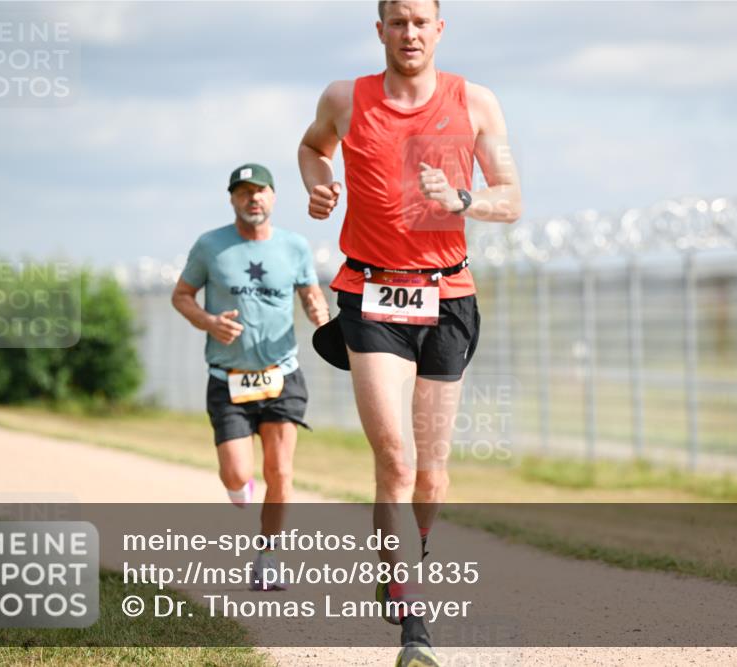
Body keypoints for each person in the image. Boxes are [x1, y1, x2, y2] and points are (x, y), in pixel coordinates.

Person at [299, 1, 521, 663]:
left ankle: (411, 562)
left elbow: (510, 195)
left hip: (447, 298)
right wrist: (319, 185)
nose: (410, 32)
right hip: (369, 295)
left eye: (421, 21)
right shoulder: (345, 98)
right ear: (381, 30)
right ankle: (412, 615)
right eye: (398, 21)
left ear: (439, 29)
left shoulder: (476, 103)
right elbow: (312, 147)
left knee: (432, 472)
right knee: (394, 459)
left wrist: (461, 199)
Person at [172, 163, 329, 590]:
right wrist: (209, 322)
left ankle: (268, 556)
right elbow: (181, 296)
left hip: (282, 374)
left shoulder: (294, 246)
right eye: (243, 192)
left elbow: (310, 291)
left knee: (281, 471)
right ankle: (240, 483)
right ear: (232, 199)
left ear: (273, 196)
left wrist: (318, 310)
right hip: (228, 378)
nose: (253, 198)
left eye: (260, 191)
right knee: (236, 475)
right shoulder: (210, 246)